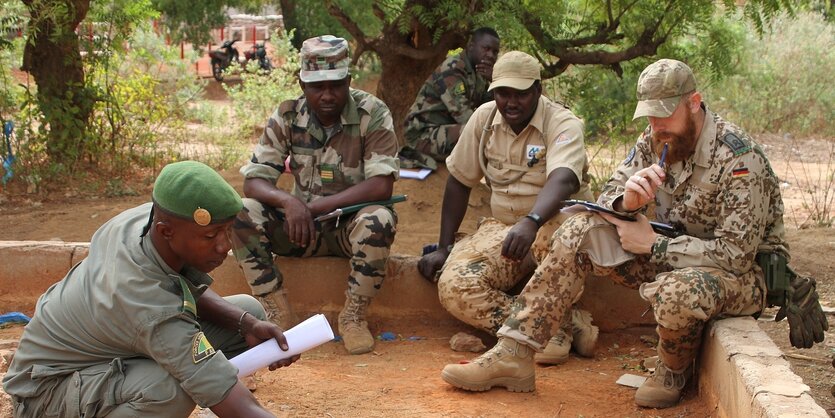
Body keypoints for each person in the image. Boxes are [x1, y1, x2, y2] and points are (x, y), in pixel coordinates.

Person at [440, 58, 828, 408]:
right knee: (579, 229)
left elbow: (735, 255)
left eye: (665, 115)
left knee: (679, 291)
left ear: (694, 102)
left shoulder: (739, 159)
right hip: (672, 253)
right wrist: (626, 202)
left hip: (740, 275)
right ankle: (514, 352)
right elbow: (608, 193)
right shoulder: (655, 139)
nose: (656, 127)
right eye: (649, 117)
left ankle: (674, 369)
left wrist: (655, 246)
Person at [3, 161, 297, 418]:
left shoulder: (145, 221)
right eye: (210, 235)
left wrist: (246, 323)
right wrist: (221, 392)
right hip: (45, 393)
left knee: (247, 312)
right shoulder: (146, 302)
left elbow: (180, 285)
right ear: (166, 232)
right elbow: (163, 316)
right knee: (170, 389)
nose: (224, 245)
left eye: (227, 230)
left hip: (105, 353)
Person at [417, 50, 599, 365]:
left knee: (568, 235)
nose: (510, 102)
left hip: (554, 226)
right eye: (503, 93)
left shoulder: (562, 122)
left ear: (538, 90)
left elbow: (564, 179)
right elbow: (460, 180)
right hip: (504, 229)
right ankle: (559, 326)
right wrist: (445, 245)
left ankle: (544, 329)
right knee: (454, 286)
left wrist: (532, 221)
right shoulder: (484, 118)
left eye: (520, 94)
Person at [231, 35, 399, 356]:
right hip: (300, 230)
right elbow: (254, 182)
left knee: (379, 217)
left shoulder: (371, 113)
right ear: (302, 83)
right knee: (242, 212)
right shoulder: (288, 114)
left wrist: (315, 207)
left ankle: (353, 317)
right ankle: (277, 310)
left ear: (349, 80)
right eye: (317, 86)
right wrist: (290, 203)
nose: (327, 95)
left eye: (336, 85)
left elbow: (382, 186)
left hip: (349, 228)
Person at [401, 27, 500, 168]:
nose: (490, 55)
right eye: (486, 48)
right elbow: (465, 117)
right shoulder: (453, 69)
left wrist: (495, 81)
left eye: (495, 52)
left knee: (486, 129)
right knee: (479, 131)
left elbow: (490, 105)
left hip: (445, 129)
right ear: (471, 46)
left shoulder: (480, 72)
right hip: (423, 135)